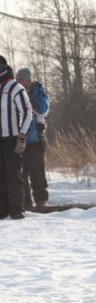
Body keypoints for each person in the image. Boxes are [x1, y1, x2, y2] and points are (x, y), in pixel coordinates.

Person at [0, 56, 33, 219]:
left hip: (11, 137)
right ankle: (2, 209)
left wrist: (22, 135)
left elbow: (27, 112)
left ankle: (16, 209)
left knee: (13, 173)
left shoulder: (15, 87)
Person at [16, 68, 50, 210]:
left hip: (36, 139)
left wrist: (29, 97)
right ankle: (26, 203)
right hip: (19, 141)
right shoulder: (15, 93)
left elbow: (43, 110)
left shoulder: (39, 92)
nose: (21, 84)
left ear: (29, 81)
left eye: (23, 81)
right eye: (19, 82)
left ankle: (41, 202)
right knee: (21, 174)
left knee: (37, 173)